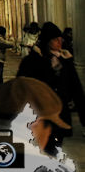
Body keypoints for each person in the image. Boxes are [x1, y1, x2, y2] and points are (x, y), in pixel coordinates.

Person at [17, 21, 85, 152]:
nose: (59, 42)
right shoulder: (33, 61)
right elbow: (21, 86)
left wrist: (83, 114)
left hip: (60, 112)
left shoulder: (65, 59)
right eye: (55, 39)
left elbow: (76, 88)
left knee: (57, 143)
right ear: (47, 41)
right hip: (41, 111)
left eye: (60, 39)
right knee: (48, 145)